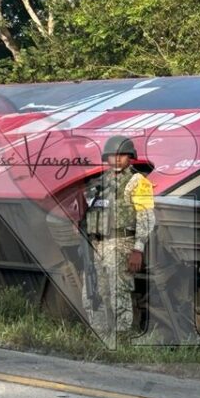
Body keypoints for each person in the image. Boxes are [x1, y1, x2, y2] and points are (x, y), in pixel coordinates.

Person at [81, 135, 156, 335]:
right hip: (98, 245)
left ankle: (122, 338)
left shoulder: (138, 182)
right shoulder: (99, 183)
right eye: (112, 156)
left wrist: (138, 249)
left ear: (130, 158)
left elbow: (145, 217)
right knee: (94, 293)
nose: (116, 160)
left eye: (122, 155)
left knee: (119, 293)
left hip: (123, 242)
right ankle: (100, 335)